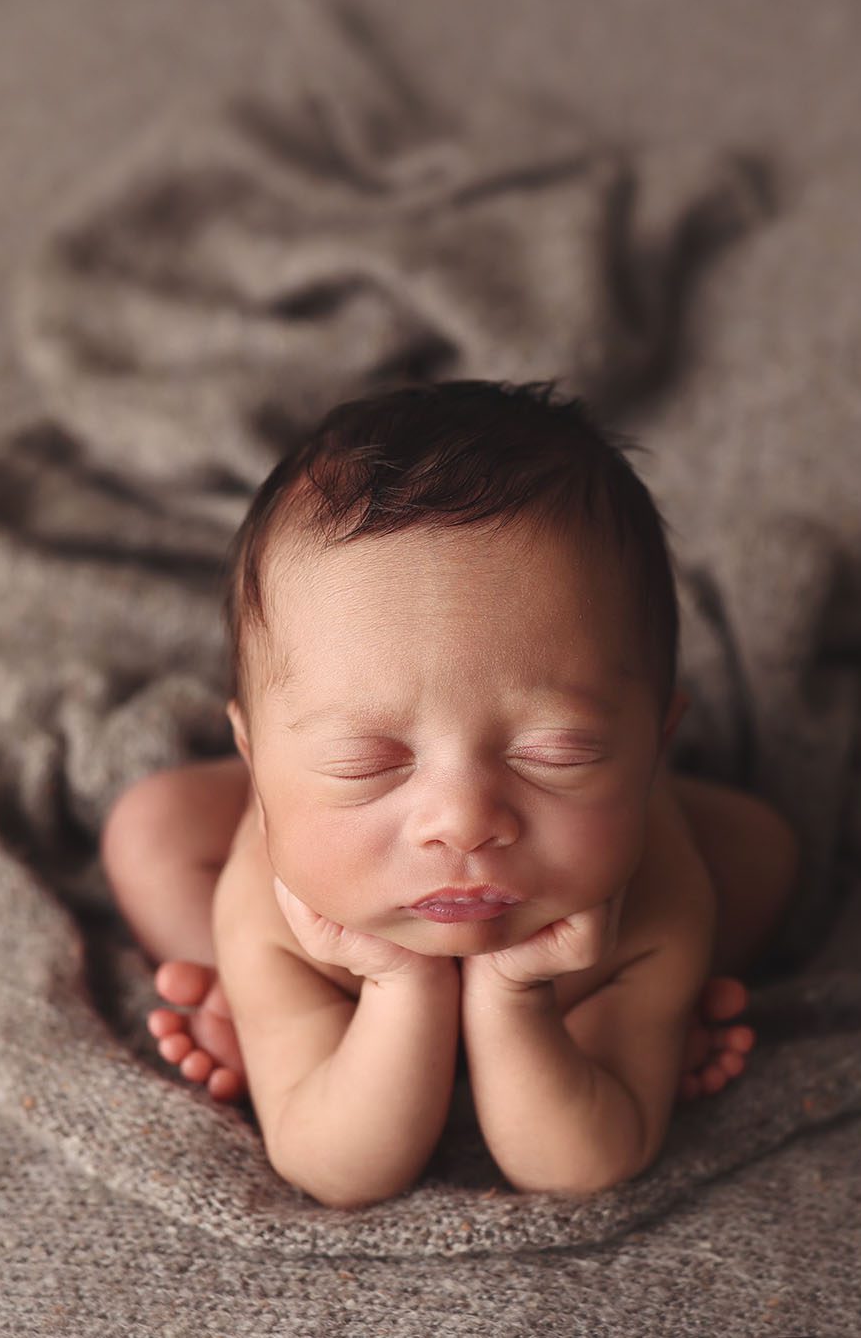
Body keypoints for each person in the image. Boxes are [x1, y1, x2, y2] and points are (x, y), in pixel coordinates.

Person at [101, 379, 800, 1207]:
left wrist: (515, 999)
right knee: (149, 830)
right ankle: (253, 1009)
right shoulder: (278, 904)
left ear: (655, 749)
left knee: (763, 849)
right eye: (365, 761)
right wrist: (397, 984)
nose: (463, 821)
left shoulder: (650, 898)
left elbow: (579, 1164)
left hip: (612, 899)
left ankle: (640, 1026)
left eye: (554, 751)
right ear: (254, 760)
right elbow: (337, 1169)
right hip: (313, 915)